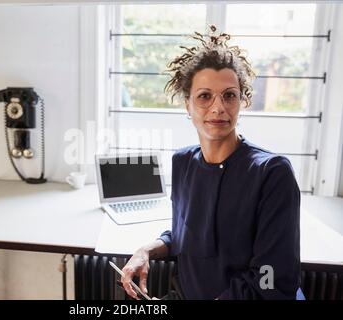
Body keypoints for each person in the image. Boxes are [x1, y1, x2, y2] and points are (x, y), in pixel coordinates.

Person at [120, 26, 301, 300]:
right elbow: (187, 235)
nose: (218, 108)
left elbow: (271, 280)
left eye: (229, 95)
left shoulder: (271, 173)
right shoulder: (182, 162)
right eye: (204, 96)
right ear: (187, 105)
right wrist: (146, 250)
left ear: (242, 101)